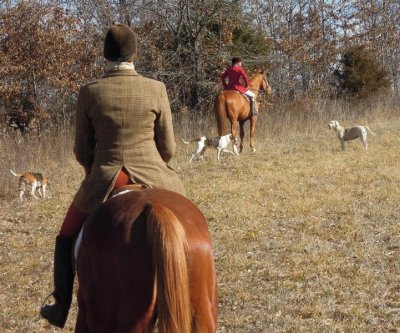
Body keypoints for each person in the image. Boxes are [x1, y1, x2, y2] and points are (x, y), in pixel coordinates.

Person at [40, 24, 185, 328]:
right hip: (155, 174)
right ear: (135, 53)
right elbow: (168, 147)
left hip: (106, 177)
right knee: (188, 224)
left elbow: (82, 149)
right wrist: (159, 165)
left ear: (106, 54)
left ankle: (60, 305)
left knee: (66, 235)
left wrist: (94, 170)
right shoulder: (156, 88)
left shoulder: (90, 91)